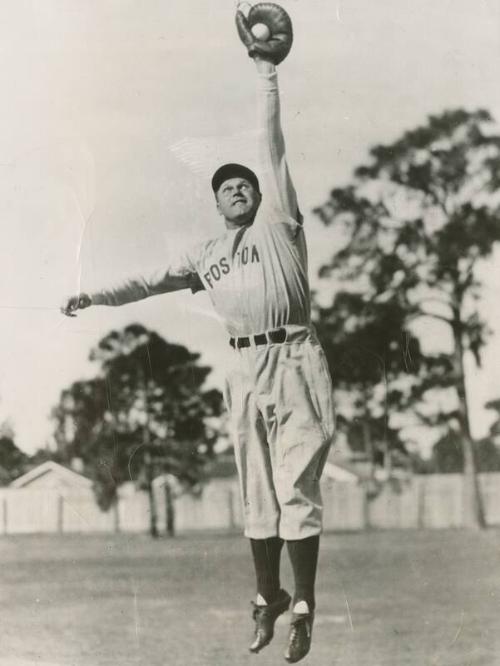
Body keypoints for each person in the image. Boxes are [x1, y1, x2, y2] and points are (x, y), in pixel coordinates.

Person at [61, 7, 334, 662]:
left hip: (293, 354)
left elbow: (273, 147)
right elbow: (152, 279)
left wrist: (266, 72)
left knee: (296, 484)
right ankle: (266, 596)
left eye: (245, 185)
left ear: (261, 196)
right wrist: (95, 294)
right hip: (242, 368)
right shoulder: (208, 252)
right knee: (257, 488)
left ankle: (304, 602)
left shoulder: (282, 228)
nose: (239, 190)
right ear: (217, 203)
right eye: (228, 188)